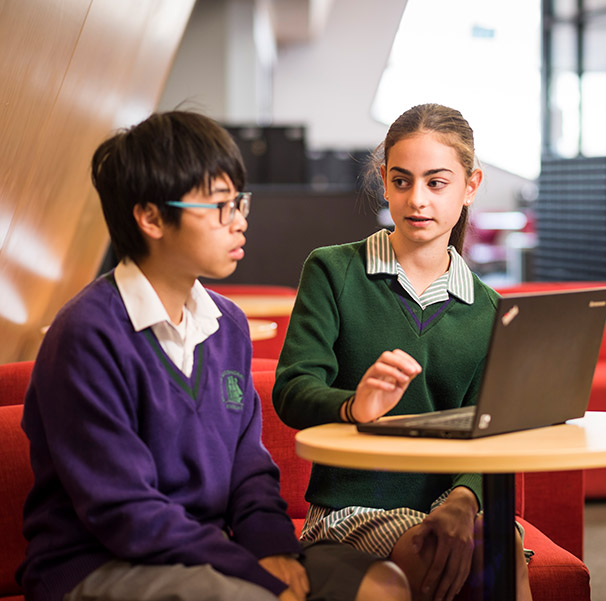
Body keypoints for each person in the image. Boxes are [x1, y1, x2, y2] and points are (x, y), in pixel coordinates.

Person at [16, 110, 410, 601]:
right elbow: (125, 513)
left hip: (208, 551)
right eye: (221, 205)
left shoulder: (227, 325)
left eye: (239, 201)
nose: (240, 220)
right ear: (152, 218)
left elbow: (249, 467)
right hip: (99, 562)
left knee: (383, 586)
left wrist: (275, 551)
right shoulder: (88, 334)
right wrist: (254, 571)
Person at [272, 103, 533, 601]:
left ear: (470, 186)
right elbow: (292, 390)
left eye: (437, 183)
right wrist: (353, 405)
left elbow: (489, 431)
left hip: (450, 505)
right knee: (447, 550)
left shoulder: (490, 308)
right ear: (384, 182)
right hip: (349, 512)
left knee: (497, 542)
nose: (417, 200)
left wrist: (461, 500)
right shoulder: (333, 271)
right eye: (401, 181)